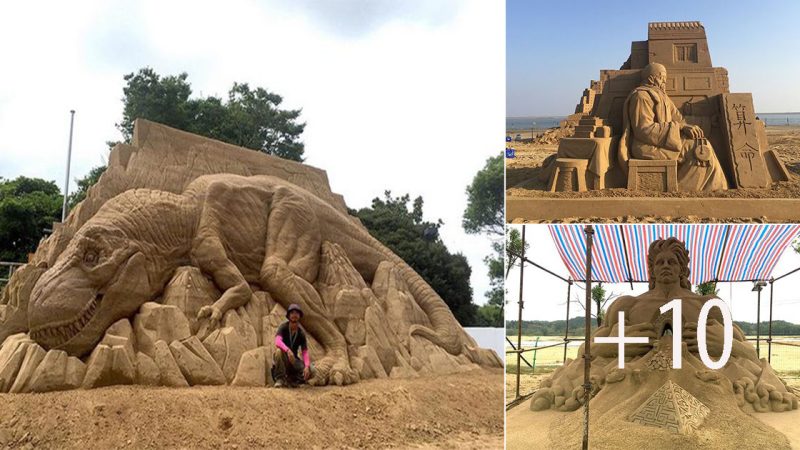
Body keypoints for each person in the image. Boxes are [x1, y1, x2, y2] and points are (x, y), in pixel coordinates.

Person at [619, 62, 728, 191]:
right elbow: (643, 130)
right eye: (661, 77)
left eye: (665, 78)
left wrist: (708, 122)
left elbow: (680, 119)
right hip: (647, 146)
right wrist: (679, 128)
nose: (664, 81)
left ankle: (711, 186)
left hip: (664, 143)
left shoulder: (663, 97)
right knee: (698, 150)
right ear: (650, 78)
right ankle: (683, 188)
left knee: (702, 143)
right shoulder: (641, 97)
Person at [273, 303, 314, 387]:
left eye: (296, 313)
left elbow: (304, 352)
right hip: (284, 358)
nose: (294, 315)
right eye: (292, 313)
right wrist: (287, 350)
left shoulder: (301, 333)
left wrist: (306, 366)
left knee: (312, 370)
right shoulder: (283, 327)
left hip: (294, 361)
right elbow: (277, 341)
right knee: (278, 352)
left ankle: (292, 380)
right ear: (288, 316)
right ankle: (280, 379)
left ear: (299, 316)